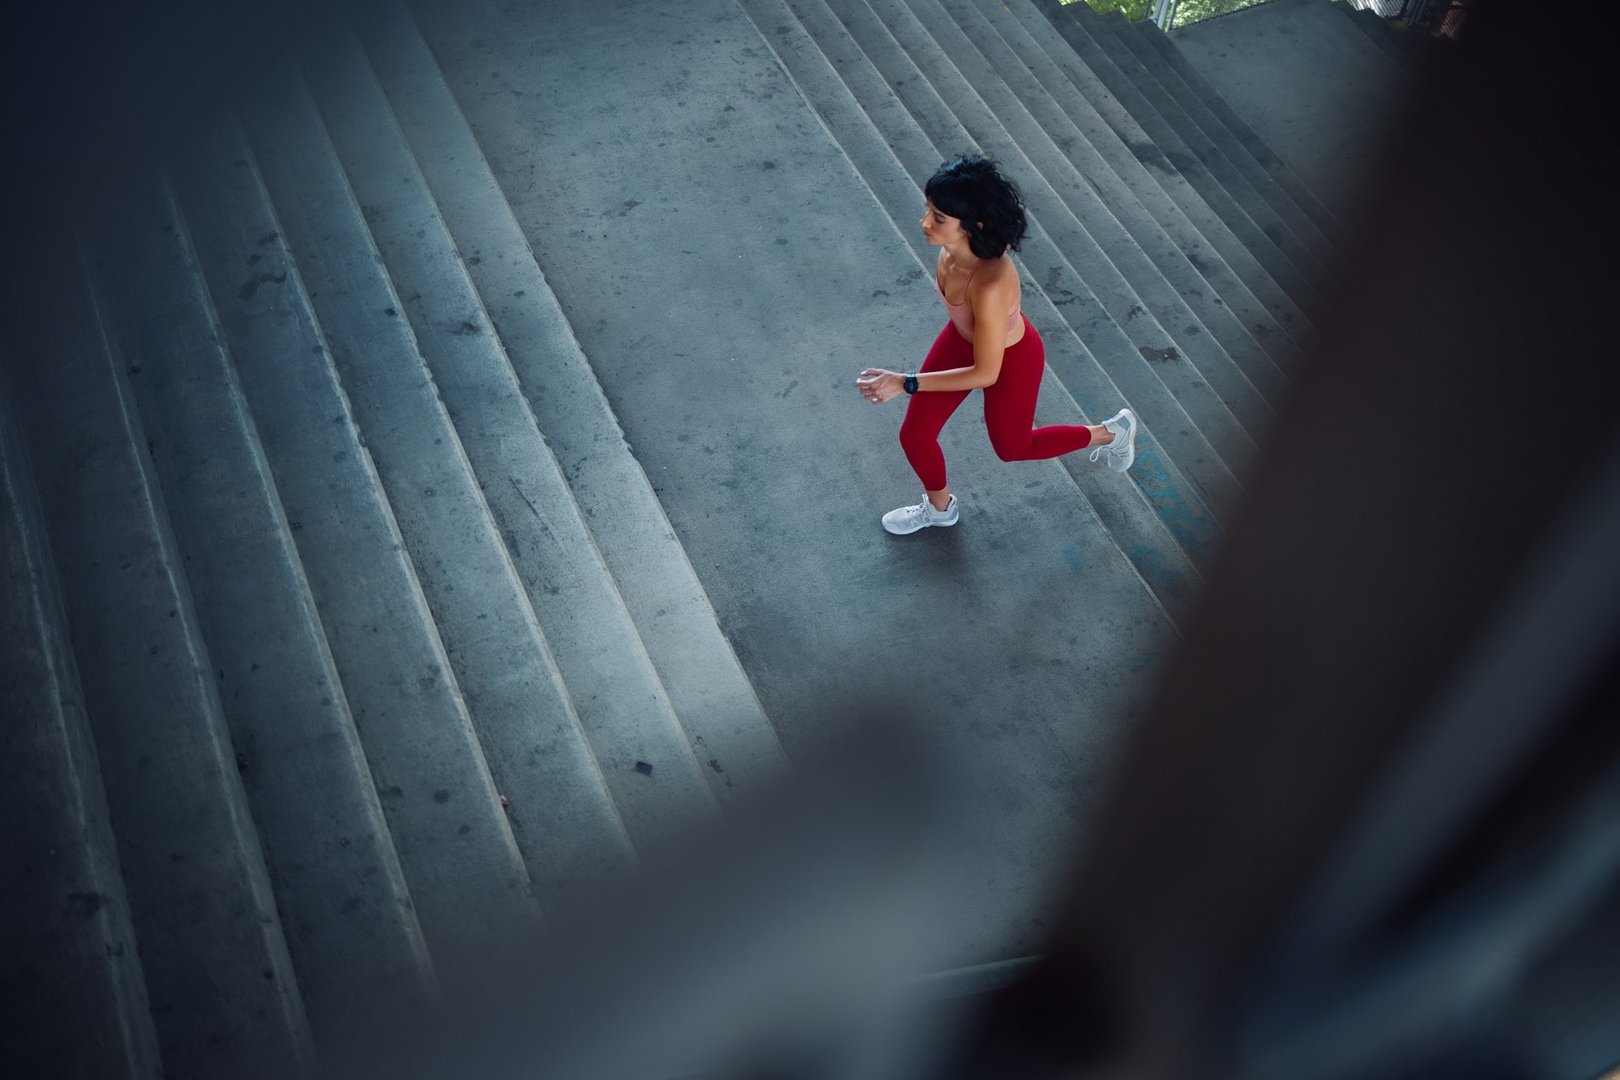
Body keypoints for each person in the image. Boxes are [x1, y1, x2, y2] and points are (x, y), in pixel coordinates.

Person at [857, 155, 1138, 536]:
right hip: (964, 340)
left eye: (938, 218)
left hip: (1011, 358)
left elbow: (986, 373)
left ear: (973, 226)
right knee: (915, 434)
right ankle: (940, 510)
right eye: (929, 210)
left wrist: (907, 381)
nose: (924, 222)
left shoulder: (990, 284)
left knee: (1013, 448)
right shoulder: (949, 251)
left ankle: (1112, 432)